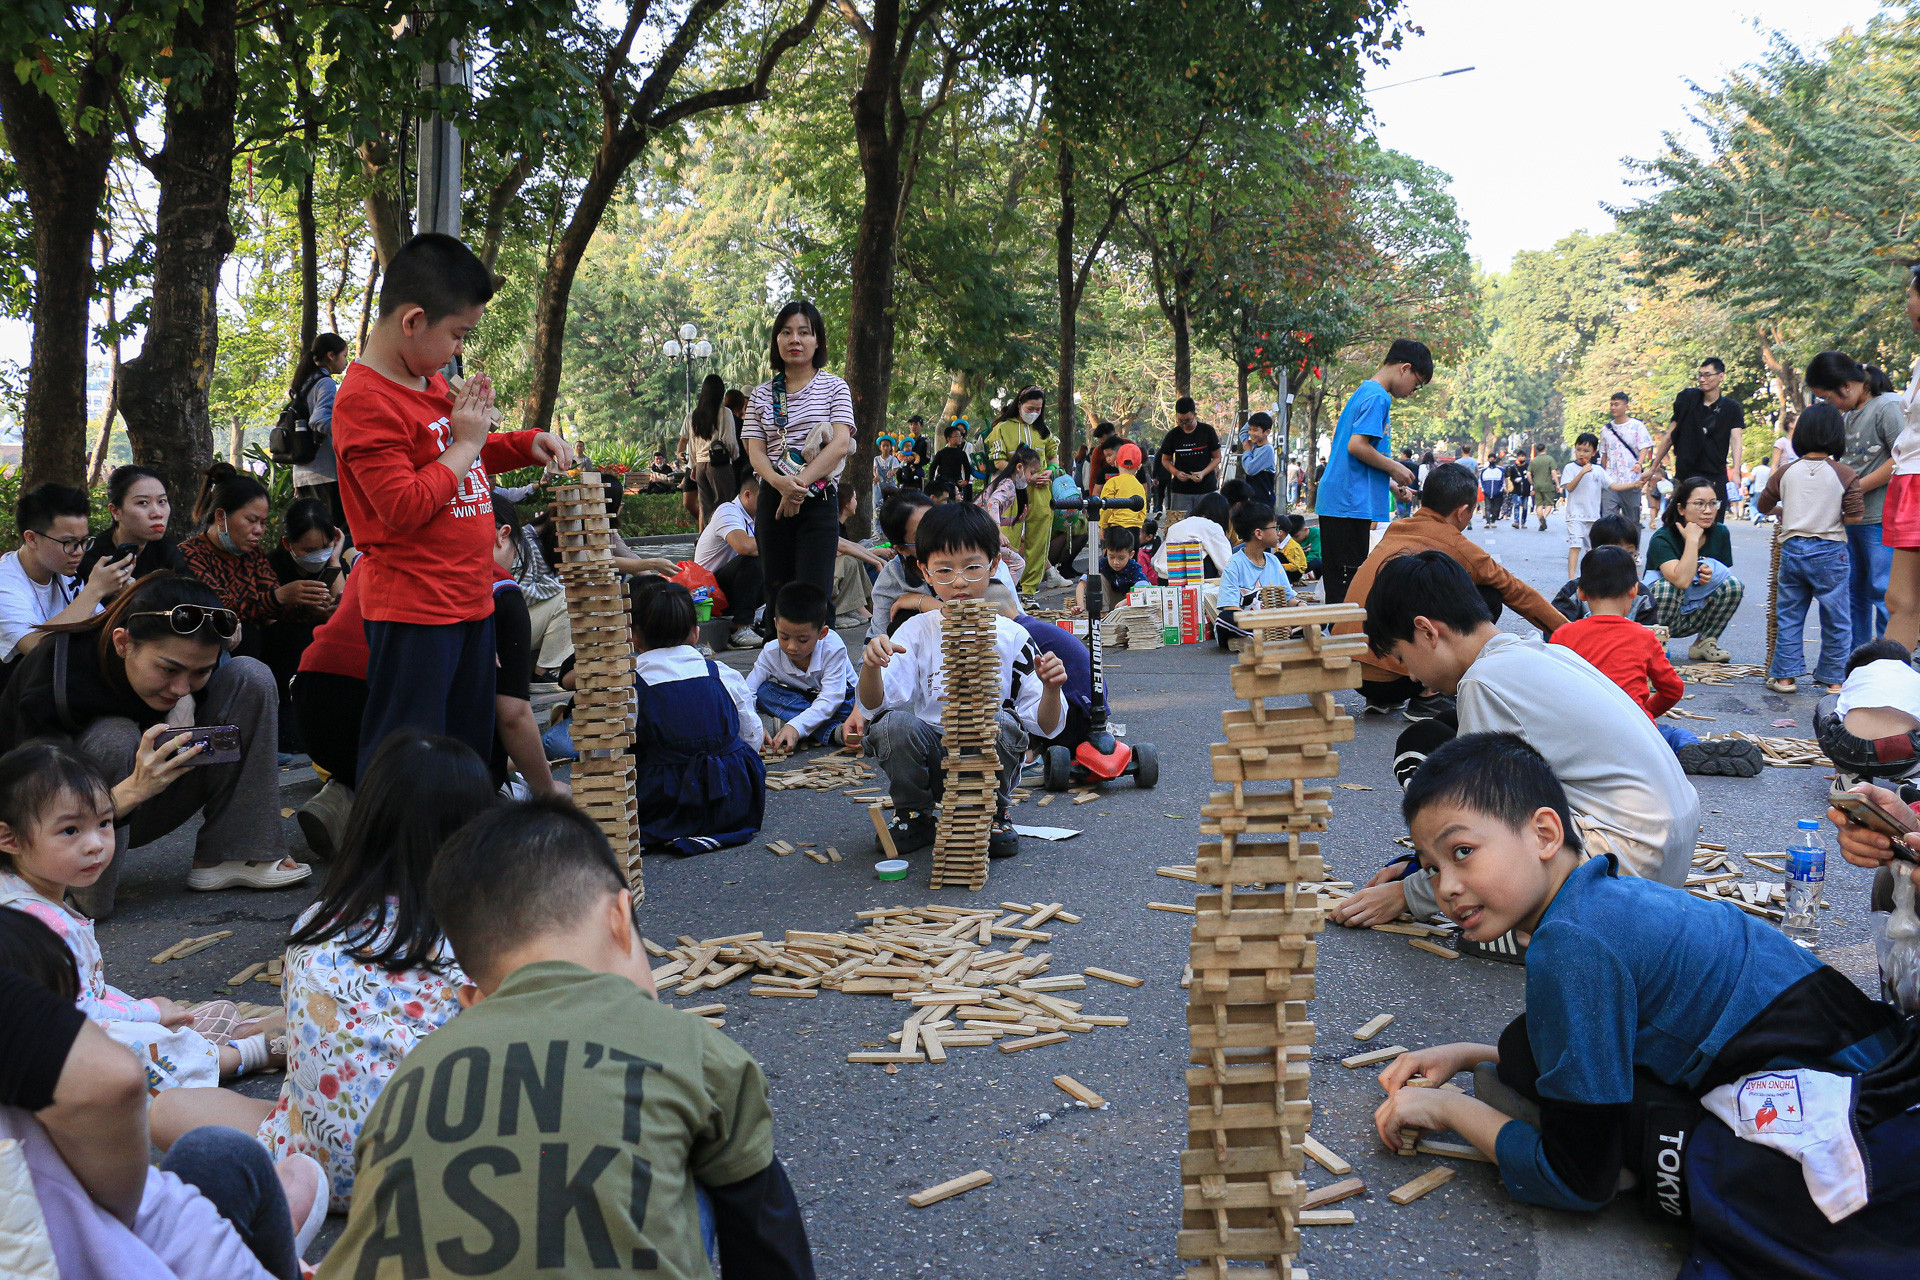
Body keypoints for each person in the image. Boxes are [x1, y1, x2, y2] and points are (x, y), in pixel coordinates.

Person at [1374, 734, 1919, 1279]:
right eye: (1429, 867)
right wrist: (1471, 1055)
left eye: (1462, 852)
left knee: (1539, 1087)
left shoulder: (1572, 944)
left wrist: (1447, 1109)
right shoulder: (1606, 895)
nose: (1446, 887)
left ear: (1544, 833)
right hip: (1874, 1046)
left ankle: (1645, 1158)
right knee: (1521, 1049)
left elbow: (1577, 1182)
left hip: (1844, 1101)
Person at [316, 799, 816, 1279]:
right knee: (702, 1160)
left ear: (472, 999)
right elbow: (769, 1248)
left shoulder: (414, 1073)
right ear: (621, 918)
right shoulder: (688, 1047)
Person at [146, 733, 495, 1214]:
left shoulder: (316, 923)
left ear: (365, 819)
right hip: (444, 1174)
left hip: (321, 1167)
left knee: (167, 1110)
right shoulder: (491, 933)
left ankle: (296, 1187)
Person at [1333, 551, 1698, 961]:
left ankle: (1550, 926)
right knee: (1431, 738)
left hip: (1625, 867)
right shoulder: (1541, 652)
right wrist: (1425, 864)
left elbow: (1482, 824)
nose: (1413, 676)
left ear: (1427, 631)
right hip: (1669, 853)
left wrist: (1410, 893)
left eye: (1404, 658)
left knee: (1455, 798)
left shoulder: (1484, 683)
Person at [332, 232, 573, 779]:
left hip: (470, 599)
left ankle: (457, 851)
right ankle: (396, 858)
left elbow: (466, 452)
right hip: (415, 609)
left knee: (464, 751)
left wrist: (521, 443)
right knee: (409, 756)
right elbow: (404, 505)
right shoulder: (365, 400)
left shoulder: (429, 379)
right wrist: (466, 442)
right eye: (458, 333)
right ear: (413, 319)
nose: (459, 349)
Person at [0, 918, 328, 1280]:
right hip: (192, 1260)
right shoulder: (53, 1140)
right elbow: (114, 1080)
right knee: (219, 1156)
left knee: (215, 1153)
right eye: (69, 1019)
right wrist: (124, 1210)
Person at [0, 573, 305, 914]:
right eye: (168, 670)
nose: (181, 686)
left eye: (199, 672)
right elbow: (32, 806)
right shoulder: (58, 672)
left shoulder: (190, 676)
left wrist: (187, 701)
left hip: (157, 796)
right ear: (122, 643)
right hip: (60, 824)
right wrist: (133, 789)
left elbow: (201, 681)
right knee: (114, 736)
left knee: (251, 676)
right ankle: (79, 894)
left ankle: (234, 851)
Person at [0, 741, 284, 1088]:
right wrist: (151, 1013)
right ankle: (243, 1054)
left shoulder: (17, 891)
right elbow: (81, 1013)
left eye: (104, 822)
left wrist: (147, 1011)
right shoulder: (42, 923)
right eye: (70, 830)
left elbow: (90, 991)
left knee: (148, 1020)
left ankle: (196, 1037)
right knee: (137, 1048)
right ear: (9, 838)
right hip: (38, 1055)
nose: (96, 844)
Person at [859, 503, 1067, 860]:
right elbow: (875, 705)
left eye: (972, 568)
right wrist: (871, 667)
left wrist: (1052, 689)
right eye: (944, 570)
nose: (958, 582)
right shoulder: (914, 631)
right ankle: (914, 812)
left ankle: (994, 812)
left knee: (1001, 721)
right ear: (924, 570)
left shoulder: (1013, 637)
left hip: (987, 758)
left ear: (994, 565)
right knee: (894, 724)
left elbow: (1046, 727)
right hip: (932, 756)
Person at [1336, 464, 1568, 717]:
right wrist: (1571, 633)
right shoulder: (1458, 545)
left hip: (1351, 669)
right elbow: (1518, 593)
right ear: (1463, 511)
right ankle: (1428, 694)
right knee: (1488, 597)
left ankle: (1382, 698)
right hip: (1400, 679)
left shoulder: (1397, 528)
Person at [1549, 546, 1763, 776]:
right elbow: (1673, 689)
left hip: (1579, 739)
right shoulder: (1644, 637)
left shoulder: (1563, 635)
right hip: (1636, 736)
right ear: (1634, 591)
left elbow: (1550, 693)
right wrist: (1643, 711)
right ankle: (1687, 750)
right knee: (1674, 735)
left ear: (1580, 593)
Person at [630, 578, 765, 853]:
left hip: (664, 798)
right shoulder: (722, 673)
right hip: (731, 796)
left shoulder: (631, 685)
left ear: (634, 637)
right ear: (695, 633)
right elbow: (752, 734)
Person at [742, 299, 855, 616]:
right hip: (772, 501)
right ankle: (775, 660)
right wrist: (780, 484)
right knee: (777, 589)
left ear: (817, 340)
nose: (795, 340)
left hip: (818, 500)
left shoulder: (835, 387)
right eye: (786, 332)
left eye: (804, 332)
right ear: (776, 339)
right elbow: (755, 450)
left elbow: (840, 444)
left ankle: (823, 663)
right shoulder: (763, 394)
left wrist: (799, 486)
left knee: (815, 591)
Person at [1756, 402, 1863, 694]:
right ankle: (1834, 679)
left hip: (1792, 549)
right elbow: (1854, 516)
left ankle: (1785, 678)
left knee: (1789, 614)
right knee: (1837, 617)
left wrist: (1784, 511)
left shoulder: (1785, 472)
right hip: (1830, 551)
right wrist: (1830, 516)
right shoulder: (1844, 473)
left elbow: (1763, 505)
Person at [1314, 340, 1427, 602]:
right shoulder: (1378, 397)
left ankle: (1340, 636)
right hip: (1347, 503)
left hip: (1344, 500)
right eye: (1417, 383)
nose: (1413, 391)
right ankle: (1343, 639)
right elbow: (1357, 446)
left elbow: (1355, 455)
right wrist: (1395, 467)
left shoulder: (1367, 391)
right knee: (1346, 584)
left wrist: (1389, 484)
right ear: (1405, 368)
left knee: (1342, 582)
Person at [1805, 350, 1901, 647]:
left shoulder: (1888, 406)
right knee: (1853, 593)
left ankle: (1891, 661)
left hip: (1882, 519)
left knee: (1883, 591)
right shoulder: (1846, 416)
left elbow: (1902, 458)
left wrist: (1855, 487)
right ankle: (1858, 659)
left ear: (1846, 387)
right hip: (1853, 520)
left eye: (1827, 397)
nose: (1828, 404)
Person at [0, 483, 132, 687]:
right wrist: (95, 590)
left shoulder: (62, 571)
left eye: (84, 541)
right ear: (32, 539)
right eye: (69, 542)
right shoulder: (5, 584)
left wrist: (122, 597)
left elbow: (101, 632)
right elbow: (37, 647)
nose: (79, 551)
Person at [1647, 475, 1746, 663]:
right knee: (1667, 587)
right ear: (1681, 508)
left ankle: (1705, 642)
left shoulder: (1720, 533)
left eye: (1713, 504)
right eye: (1699, 504)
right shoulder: (1663, 538)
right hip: (1663, 614)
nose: (1708, 511)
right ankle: (1654, 645)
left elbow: (1722, 574)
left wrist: (1709, 572)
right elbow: (1681, 580)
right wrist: (1691, 540)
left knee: (1733, 585)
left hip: (1696, 612)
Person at [748, 582, 855, 752]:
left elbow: (832, 698)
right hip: (803, 700)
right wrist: (752, 726)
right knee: (763, 692)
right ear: (776, 624)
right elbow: (747, 691)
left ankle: (807, 726)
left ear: (822, 633)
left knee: (853, 706)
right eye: (784, 636)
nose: (791, 646)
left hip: (842, 701)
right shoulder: (771, 652)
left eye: (802, 640)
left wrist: (796, 726)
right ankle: (832, 730)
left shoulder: (833, 647)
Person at [1646, 357, 1744, 521]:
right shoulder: (1687, 400)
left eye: (1707, 375)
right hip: (1687, 472)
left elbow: (1736, 439)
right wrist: (1653, 467)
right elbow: (1670, 435)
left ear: (1721, 377)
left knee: (1713, 524)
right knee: (1681, 523)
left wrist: (1736, 472)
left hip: (1715, 472)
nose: (1702, 379)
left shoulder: (1731, 408)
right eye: (1700, 375)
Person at [74, 464, 190, 588]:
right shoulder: (92, 558)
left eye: (162, 501)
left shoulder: (166, 550)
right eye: (142, 503)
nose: (157, 513)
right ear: (115, 511)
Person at [988, 386, 1056, 596]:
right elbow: (998, 461)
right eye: (1030, 408)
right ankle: (1005, 590)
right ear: (1019, 405)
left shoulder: (1044, 431)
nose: (1034, 413)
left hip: (1041, 492)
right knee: (1007, 540)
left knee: (1039, 540)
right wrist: (1026, 476)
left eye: (1038, 409)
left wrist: (1050, 472)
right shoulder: (1002, 428)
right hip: (1012, 491)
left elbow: (1054, 457)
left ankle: (1029, 591)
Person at [694, 470, 765, 648]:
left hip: (733, 591)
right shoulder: (728, 511)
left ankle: (769, 621)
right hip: (709, 593)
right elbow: (744, 546)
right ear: (748, 495)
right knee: (754, 558)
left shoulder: (757, 518)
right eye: (766, 498)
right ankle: (740, 628)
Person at [290, 333, 352, 534]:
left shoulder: (304, 381)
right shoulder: (324, 382)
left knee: (314, 534)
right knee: (335, 533)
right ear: (331, 355)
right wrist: (347, 432)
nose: (346, 362)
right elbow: (318, 420)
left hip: (303, 472)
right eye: (344, 355)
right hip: (324, 472)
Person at [1214, 502, 1295, 649]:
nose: (1279, 532)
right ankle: (1264, 635)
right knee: (1224, 620)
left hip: (1275, 621)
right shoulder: (1234, 564)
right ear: (1258, 533)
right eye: (1275, 527)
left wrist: (1302, 606)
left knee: (1318, 619)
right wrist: (1267, 623)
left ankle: (1257, 639)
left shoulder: (1274, 561)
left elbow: (1289, 599)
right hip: (1250, 622)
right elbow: (1230, 608)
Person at [1548, 515, 1656, 625]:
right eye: (1613, 554)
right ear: (1594, 553)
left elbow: (1651, 634)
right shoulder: (1573, 591)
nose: (1622, 561)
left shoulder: (1642, 596)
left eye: (1629, 554)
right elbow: (1552, 630)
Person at [869, 489, 936, 639]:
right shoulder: (892, 578)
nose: (938, 536)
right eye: (923, 534)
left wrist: (921, 601)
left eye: (938, 525)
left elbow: (986, 619)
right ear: (902, 548)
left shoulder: (972, 559)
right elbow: (878, 638)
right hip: (920, 656)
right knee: (904, 619)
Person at [680, 372, 740, 529]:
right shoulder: (724, 413)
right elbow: (730, 442)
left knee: (706, 509)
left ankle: (706, 545)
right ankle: (724, 546)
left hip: (700, 466)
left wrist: (693, 466)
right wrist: (733, 458)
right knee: (725, 506)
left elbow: (691, 446)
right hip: (719, 465)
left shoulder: (693, 416)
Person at [977, 444, 1041, 588]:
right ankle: (1005, 597)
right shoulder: (1008, 485)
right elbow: (992, 504)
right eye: (1032, 472)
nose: (1032, 478)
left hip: (977, 531)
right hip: (976, 533)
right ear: (1019, 467)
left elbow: (991, 514)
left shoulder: (1007, 484)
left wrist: (1015, 520)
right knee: (1017, 563)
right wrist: (998, 533)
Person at [1596, 392, 1654, 530]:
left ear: (1626, 406)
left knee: (1632, 521)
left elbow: (1644, 446)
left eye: (1617, 404)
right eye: (1611, 404)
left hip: (1631, 481)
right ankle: (1609, 549)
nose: (1613, 407)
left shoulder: (1637, 426)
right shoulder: (1606, 429)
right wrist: (1602, 475)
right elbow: (1604, 453)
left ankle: (1632, 550)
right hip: (1611, 480)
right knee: (1607, 520)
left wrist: (1639, 463)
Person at [1156, 396, 1222, 517]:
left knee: (1206, 526)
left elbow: (1217, 457)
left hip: (1206, 489)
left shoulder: (1207, 431)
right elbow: (1165, 459)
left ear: (1194, 415)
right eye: (1180, 421)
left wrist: (1203, 473)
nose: (1184, 424)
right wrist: (1176, 473)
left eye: (1187, 420)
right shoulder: (1173, 435)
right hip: (1181, 491)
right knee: (1178, 525)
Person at [1152, 491, 1234, 581]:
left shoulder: (1177, 525)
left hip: (1163, 578)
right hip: (1190, 580)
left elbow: (1155, 559)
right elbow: (1226, 567)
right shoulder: (1212, 526)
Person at [1073, 524, 1145, 618]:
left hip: (1125, 604)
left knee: (1139, 588)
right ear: (1106, 551)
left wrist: (1127, 601)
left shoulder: (1133, 567)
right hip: (1108, 603)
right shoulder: (1102, 564)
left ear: (1131, 555)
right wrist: (1080, 606)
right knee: (1096, 577)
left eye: (1121, 558)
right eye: (1111, 557)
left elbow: (1144, 586)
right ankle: (1103, 615)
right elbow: (1082, 585)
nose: (1116, 562)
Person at [1560, 432, 1604, 581]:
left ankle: (1590, 577)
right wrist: (1583, 472)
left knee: (1592, 550)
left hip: (1593, 516)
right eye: (1579, 449)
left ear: (1594, 453)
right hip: (1575, 515)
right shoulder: (1570, 468)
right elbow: (1570, 487)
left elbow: (1613, 485)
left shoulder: (1598, 470)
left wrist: (1634, 484)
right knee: (1575, 546)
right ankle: (1571, 579)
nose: (1581, 454)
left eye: (1586, 451)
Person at [1096, 439, 1148, 534]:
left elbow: (1106, 506)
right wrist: (1138, 525)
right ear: (1139, 466)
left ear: (1116, 463)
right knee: (1131, 549)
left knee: (1111, 549)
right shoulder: (1139, 486)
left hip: (1115, 529)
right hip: (1134, 529)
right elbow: (1143, 509)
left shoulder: (1112, 482)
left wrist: (1103, 526)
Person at [931, 423, 973, 502]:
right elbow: (933, 467)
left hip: (957, 482)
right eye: (957, 436)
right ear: (949, 439)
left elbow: (968, 468)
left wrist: (966, 481)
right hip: (943, 482)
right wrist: (931, 482)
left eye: (960, 436)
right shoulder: (941, 453)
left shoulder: (962, 453)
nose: (960, 438)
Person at [1241, 413, 1277, 506]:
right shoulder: (1253, 444)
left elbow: (1250, 469)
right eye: (1250, 429)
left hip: (1263, 501)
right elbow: (1242, 433)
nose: (1251, 433)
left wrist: (1248, 451)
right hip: (1254, 499)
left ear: (1267, 432)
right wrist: (1253, 418)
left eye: (1255, 430)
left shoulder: (1267, 449)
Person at [1527, 446, 1558, 531]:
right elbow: (1553, 472)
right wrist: (1558, 484)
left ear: (1537, 450)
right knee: (1549, 504)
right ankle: (1543, 517)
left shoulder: (1533, 461)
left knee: (1539, 504)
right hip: (1548, 485)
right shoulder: (1550, 459)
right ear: (1545, 449)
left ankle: (1541, 524)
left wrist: (1532, 483)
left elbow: (1528, 474)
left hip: (1537, 485)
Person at [873, 435, 903, 514]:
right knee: (877, 507)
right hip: (879, 485)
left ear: (891, 447)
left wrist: (892, 472)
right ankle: (877, 525)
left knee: (892, 506)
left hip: (890, 485)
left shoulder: (893, 459)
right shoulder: (876, 459)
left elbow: (894, 470)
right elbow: (874, 469)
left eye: (887, 446)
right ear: (880, 447)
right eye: (884, 446)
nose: (885, 448)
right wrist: (876, 476)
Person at [1505, 448, 1531, 529]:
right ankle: (1516, 521)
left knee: (1525, 506)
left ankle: (1523, 522)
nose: (1521, 458)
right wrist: (1514, 480)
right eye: (1520, 456)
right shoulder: (1513, 468)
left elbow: (1531, 477)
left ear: (1525, 457)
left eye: (1523, 456)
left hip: (1526, 490)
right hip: (1516, 490)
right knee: (1517, 504)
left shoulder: (1529, 467)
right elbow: (1510, 478)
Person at [1478, 454, 1506, 527]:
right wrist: (1483, 490)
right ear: (1488, 460)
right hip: (1487, 493)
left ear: (1495, 460)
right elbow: (1481, 481)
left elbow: (1503, 482)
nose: (1492, 460)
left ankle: (1493, 521)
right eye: (1490, 459)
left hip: (1497, 493)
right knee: (1488, 507)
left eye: (1493, 459)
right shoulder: (1484, 471)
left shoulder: (1500, 471)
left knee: (1496, 508)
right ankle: (1488, 522)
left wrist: (1500, 490)